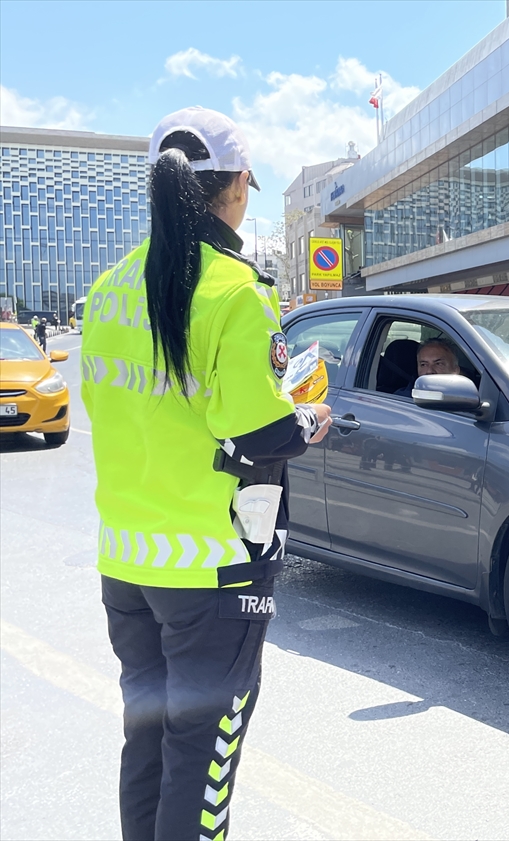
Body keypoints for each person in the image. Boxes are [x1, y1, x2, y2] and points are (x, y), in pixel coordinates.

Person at [81, 106, 333, 841]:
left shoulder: (107, 292)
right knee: (203, 756)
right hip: (211, 569)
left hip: (126, 561)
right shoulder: (234, 291)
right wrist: (312, 418)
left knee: (150, 740)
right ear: (237, 188)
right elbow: (262, 430)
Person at [396, 337, 461, 396]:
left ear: (455, 370)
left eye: (438, 364)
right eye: (423, 364)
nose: (429, 371)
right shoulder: (401, 400)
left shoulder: (465, 399)